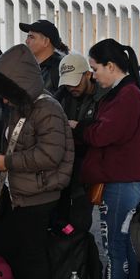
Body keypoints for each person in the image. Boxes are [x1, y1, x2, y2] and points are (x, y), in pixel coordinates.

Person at [0, 44, 73, 279]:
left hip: (38, 194)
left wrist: (6, 162)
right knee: (14, 249)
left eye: (7, 90)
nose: (3, 99)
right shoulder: (24, 106)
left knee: (31, 255)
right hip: (21, 192)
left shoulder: (47, 108)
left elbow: (50, 155)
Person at [74, 39, 140, 279]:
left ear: (110, 65)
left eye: (95, 68)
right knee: (123, 244)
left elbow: (104, 134)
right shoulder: (126, 92)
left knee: (114, 246)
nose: (93, 75)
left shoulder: (127, 95)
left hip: (121, 181)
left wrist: (80, 128)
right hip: (124, 180)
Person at [56, 52, 107, 182]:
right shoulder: (62, 97)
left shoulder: (105, 97)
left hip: (97, 165)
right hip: (70, 164)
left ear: (88, 74)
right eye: (67, 84)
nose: (71, 87)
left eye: (75, 82)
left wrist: (79, 127)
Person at [19, 20, 68, 94]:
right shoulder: (30, 66)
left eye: (31, 37)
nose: (26, 41)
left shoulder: (59, 68)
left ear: (46, 42)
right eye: (27, 37)